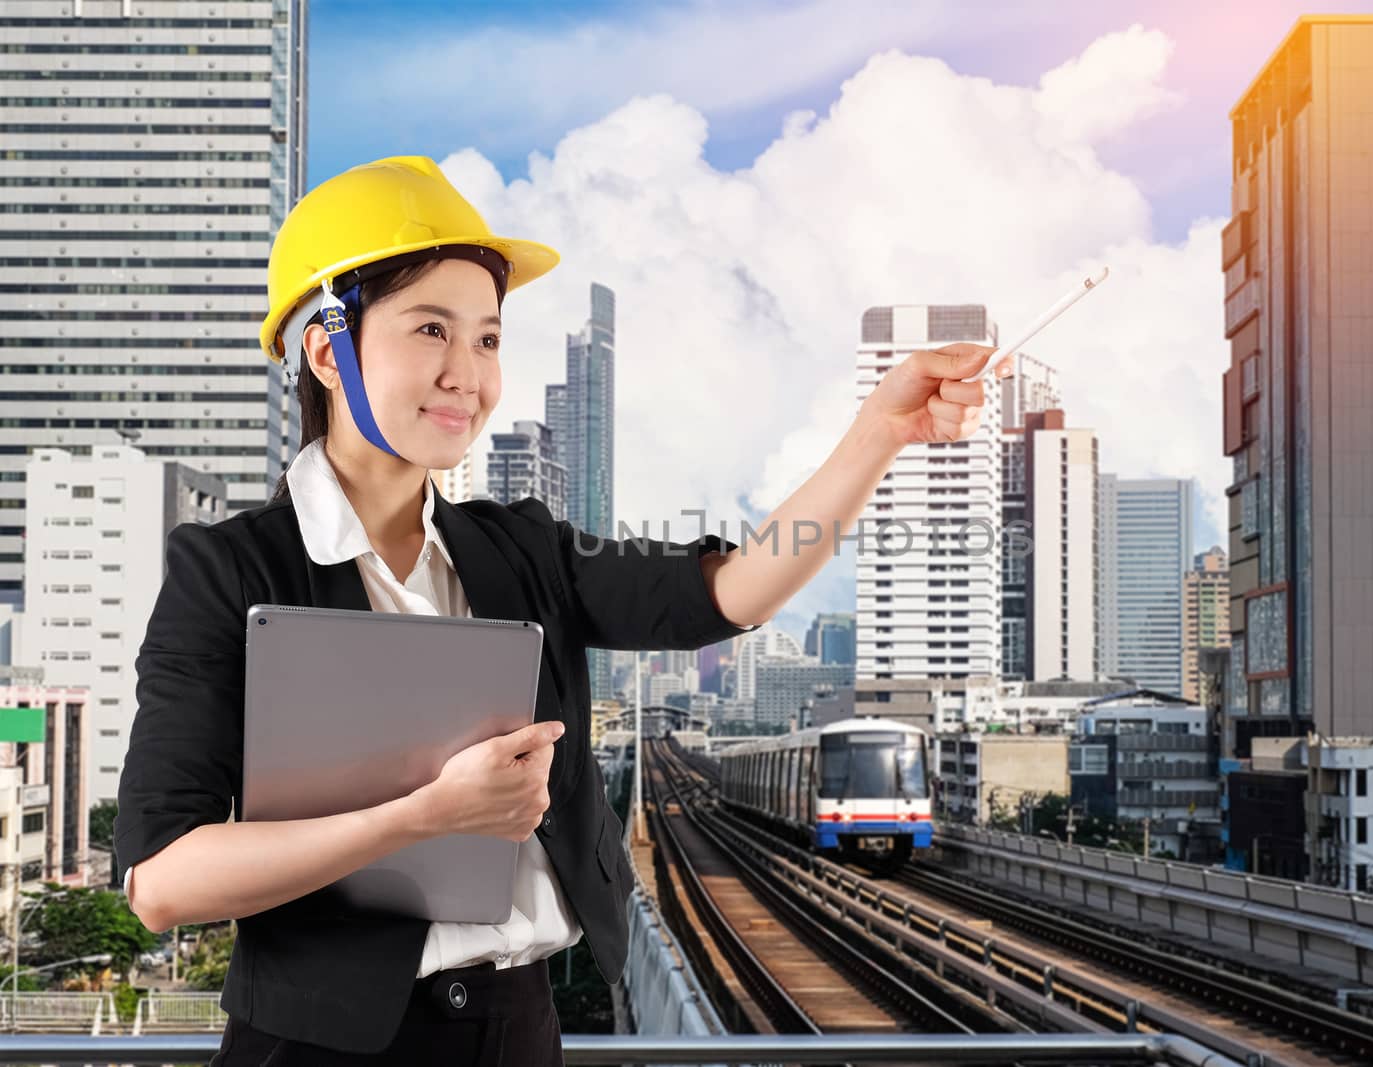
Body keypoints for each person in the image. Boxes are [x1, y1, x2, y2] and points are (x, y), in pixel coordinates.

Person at [112, 155, 1015, 1065]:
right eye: (431, 329)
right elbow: (161, 881)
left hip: (521, 1030)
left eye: (490, 339)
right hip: (318, 1045)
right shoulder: (230, 571)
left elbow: (734, 587)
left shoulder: (524, 548)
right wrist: (423, 816)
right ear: (325, 350)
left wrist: (882, 430)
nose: (468, 374)